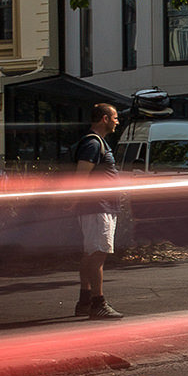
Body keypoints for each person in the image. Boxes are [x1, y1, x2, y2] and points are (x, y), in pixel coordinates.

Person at [73, 101, 124, 319]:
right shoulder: (93, 144)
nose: (117, 121)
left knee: (91, 253)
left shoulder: (98, 143)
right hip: (97, 207)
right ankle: (98, 303)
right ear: (104, 119)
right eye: (114, 118)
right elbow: (80, 177)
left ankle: (85, 300)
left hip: (100, 206)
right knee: (97, 254)